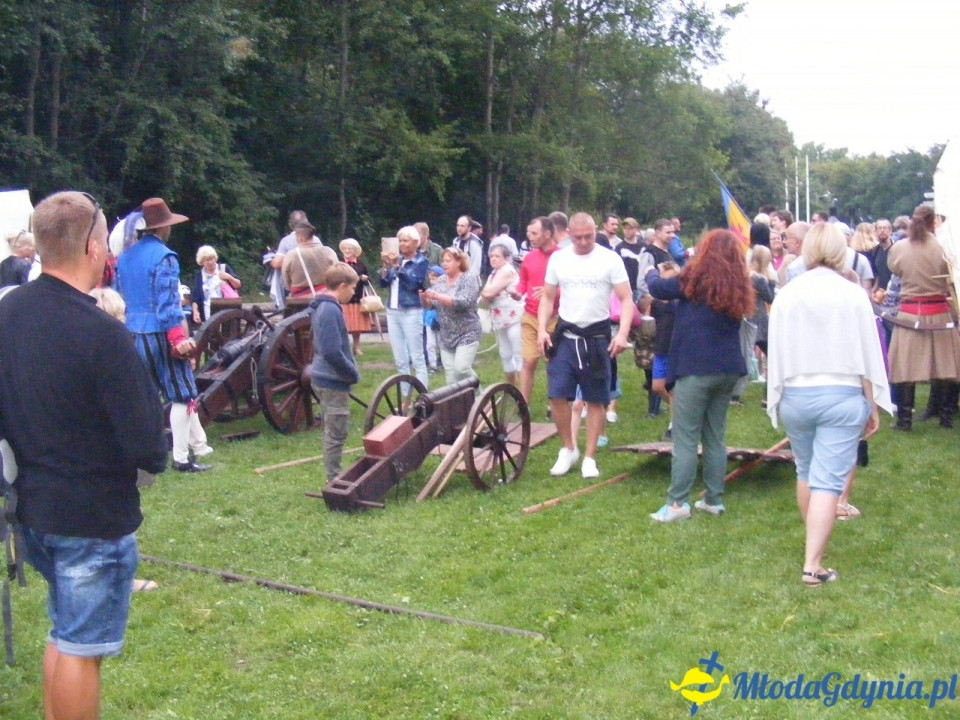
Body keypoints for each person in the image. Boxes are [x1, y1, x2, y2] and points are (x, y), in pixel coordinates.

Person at [0, 191, 167, 720]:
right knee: (81, 647)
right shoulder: (102, 332)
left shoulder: (7, 314)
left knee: (65, 629)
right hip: (90, 516)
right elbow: (147, 445)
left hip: (32, 509)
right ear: (95, 247)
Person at [766, 222, 890, 586]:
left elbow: (778, 349)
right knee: (827, 482)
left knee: (806, 472)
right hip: (841, 393)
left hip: (796, 394)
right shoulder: (852, 294)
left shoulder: (789, 292)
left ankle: (814, 550)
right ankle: (812, 565)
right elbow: (868, 353)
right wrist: (872, 403)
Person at [646, 229, 754, 522]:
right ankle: (714, 500)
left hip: (695, 368)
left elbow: (658, 288)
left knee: (685, 437)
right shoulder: (739, 285)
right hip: (729, 369)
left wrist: (651, 273)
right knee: (715, 436)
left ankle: (678, 503)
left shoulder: (694, 280)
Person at [117, 197, 214, 472]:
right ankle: (182, 458)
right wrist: (178, 338)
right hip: (161, 333)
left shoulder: (125, 257)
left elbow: (120, 295)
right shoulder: (165, 257)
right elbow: (167, 303)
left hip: (132, 332)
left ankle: (144, 456)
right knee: (183, 393)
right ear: (163, 228)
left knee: (145, 397)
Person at [538, 212, 632, 479]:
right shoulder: (559, 258)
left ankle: (589, 456)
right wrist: (542, 330)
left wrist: (622, 333)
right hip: (565, 335)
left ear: (595, 232)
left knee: (595, 398)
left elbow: (626, 299)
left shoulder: (609, 259)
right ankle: (568, 448)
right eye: (577, 237)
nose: (583, 242)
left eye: (588, 236)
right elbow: (547, 297)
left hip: (598, 337)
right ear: (569, 233)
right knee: (557, 394)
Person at [886, 205, 960, 430]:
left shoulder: (899, 247)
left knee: (905, 368)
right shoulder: (943, 247)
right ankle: (946, 418)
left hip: (909, 313)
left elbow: (895, 270)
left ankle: (905, 421)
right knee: (947, 366)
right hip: (939, 312)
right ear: (933, 222)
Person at [310, 262, 361, 482]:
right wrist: (351, 372)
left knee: (332, 430)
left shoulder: (322, 306)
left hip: (323, 377)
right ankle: (334, 478)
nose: (353, 293)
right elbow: (331, 351)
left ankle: (334, 474)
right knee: (336, 433)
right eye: (352, 288)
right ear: (341, 286)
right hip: (332, 379)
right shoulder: (330, 309)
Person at [420, 247, 483, 385]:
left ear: (459, 262)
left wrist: (437, 296)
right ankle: (457, 405)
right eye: (443, 261)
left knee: (461, 369)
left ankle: (480, 398)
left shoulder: (469, 278)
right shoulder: (441, 280)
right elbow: (432, 305)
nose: (444, 264)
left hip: (467, 332)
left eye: (448, 261)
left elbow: (462, 302)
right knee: (451, 377)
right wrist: (424, 298)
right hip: (447, 334)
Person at [514, 216, 559, 404]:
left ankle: (554, 404)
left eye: (534, 233)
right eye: (528, 233)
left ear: (547, 234)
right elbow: (524, 280)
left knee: (553, 364)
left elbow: (571, 285)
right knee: (529, 361)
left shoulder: (561, 257)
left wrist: (553, 292)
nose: (530, 237)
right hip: (530, 316)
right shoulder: (529, 257)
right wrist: (518, 292)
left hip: (554, 318)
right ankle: (524, 406)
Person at [380, 225, 430, 392]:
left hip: (411, 311)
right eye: (400, 240)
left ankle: (423, 396)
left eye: (405, 241)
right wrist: (386, 266)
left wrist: (396, 268)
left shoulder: (421, 261)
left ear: (415, 243)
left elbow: (413, 284)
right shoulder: (398, 260)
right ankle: (404, 398)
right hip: (393, 311)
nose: (402, 244)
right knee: (400, 360)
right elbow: (382, 283)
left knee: (417, 357)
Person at [480, 243, 524, 385]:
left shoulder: (507, 271)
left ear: (506, 258)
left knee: (518, 353)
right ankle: (511, 388)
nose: (493, 259)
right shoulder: (493, 273)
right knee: (505, 353)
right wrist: (486, 294)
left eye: (497, 256)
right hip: (500, 318)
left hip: (514, 316)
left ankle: (523, 394)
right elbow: (484, 296)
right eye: (491, 256)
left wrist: (487, 294)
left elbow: (487, 293)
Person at [282, 220, 338, 298]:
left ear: (300, 237)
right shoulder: (328, 251)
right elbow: (337, 274)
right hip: (325, 297)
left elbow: (286, 281)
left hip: (299, 299)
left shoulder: (292, 255)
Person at [191, 245, 242, 325]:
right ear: (202, 262)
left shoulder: (224, 268)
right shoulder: (199, 275)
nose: (211, 262)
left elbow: (238, 285)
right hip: (207, 314)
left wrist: (229, 277)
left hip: (226, 310)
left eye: (212, 258)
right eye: (207, 260)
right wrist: (195, 312)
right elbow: (195, 298)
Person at [338, 237, 371, 356]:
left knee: (357, 326)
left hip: (357, 297)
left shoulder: (361, 264)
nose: (347, 251)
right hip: (343, 299)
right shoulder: (340, 263)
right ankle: (344, 347)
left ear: (355, 251)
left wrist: (365, 279)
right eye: (345, 249)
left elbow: (368, 279)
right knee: (343, 325)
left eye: (349, 249)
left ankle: (356, 347)